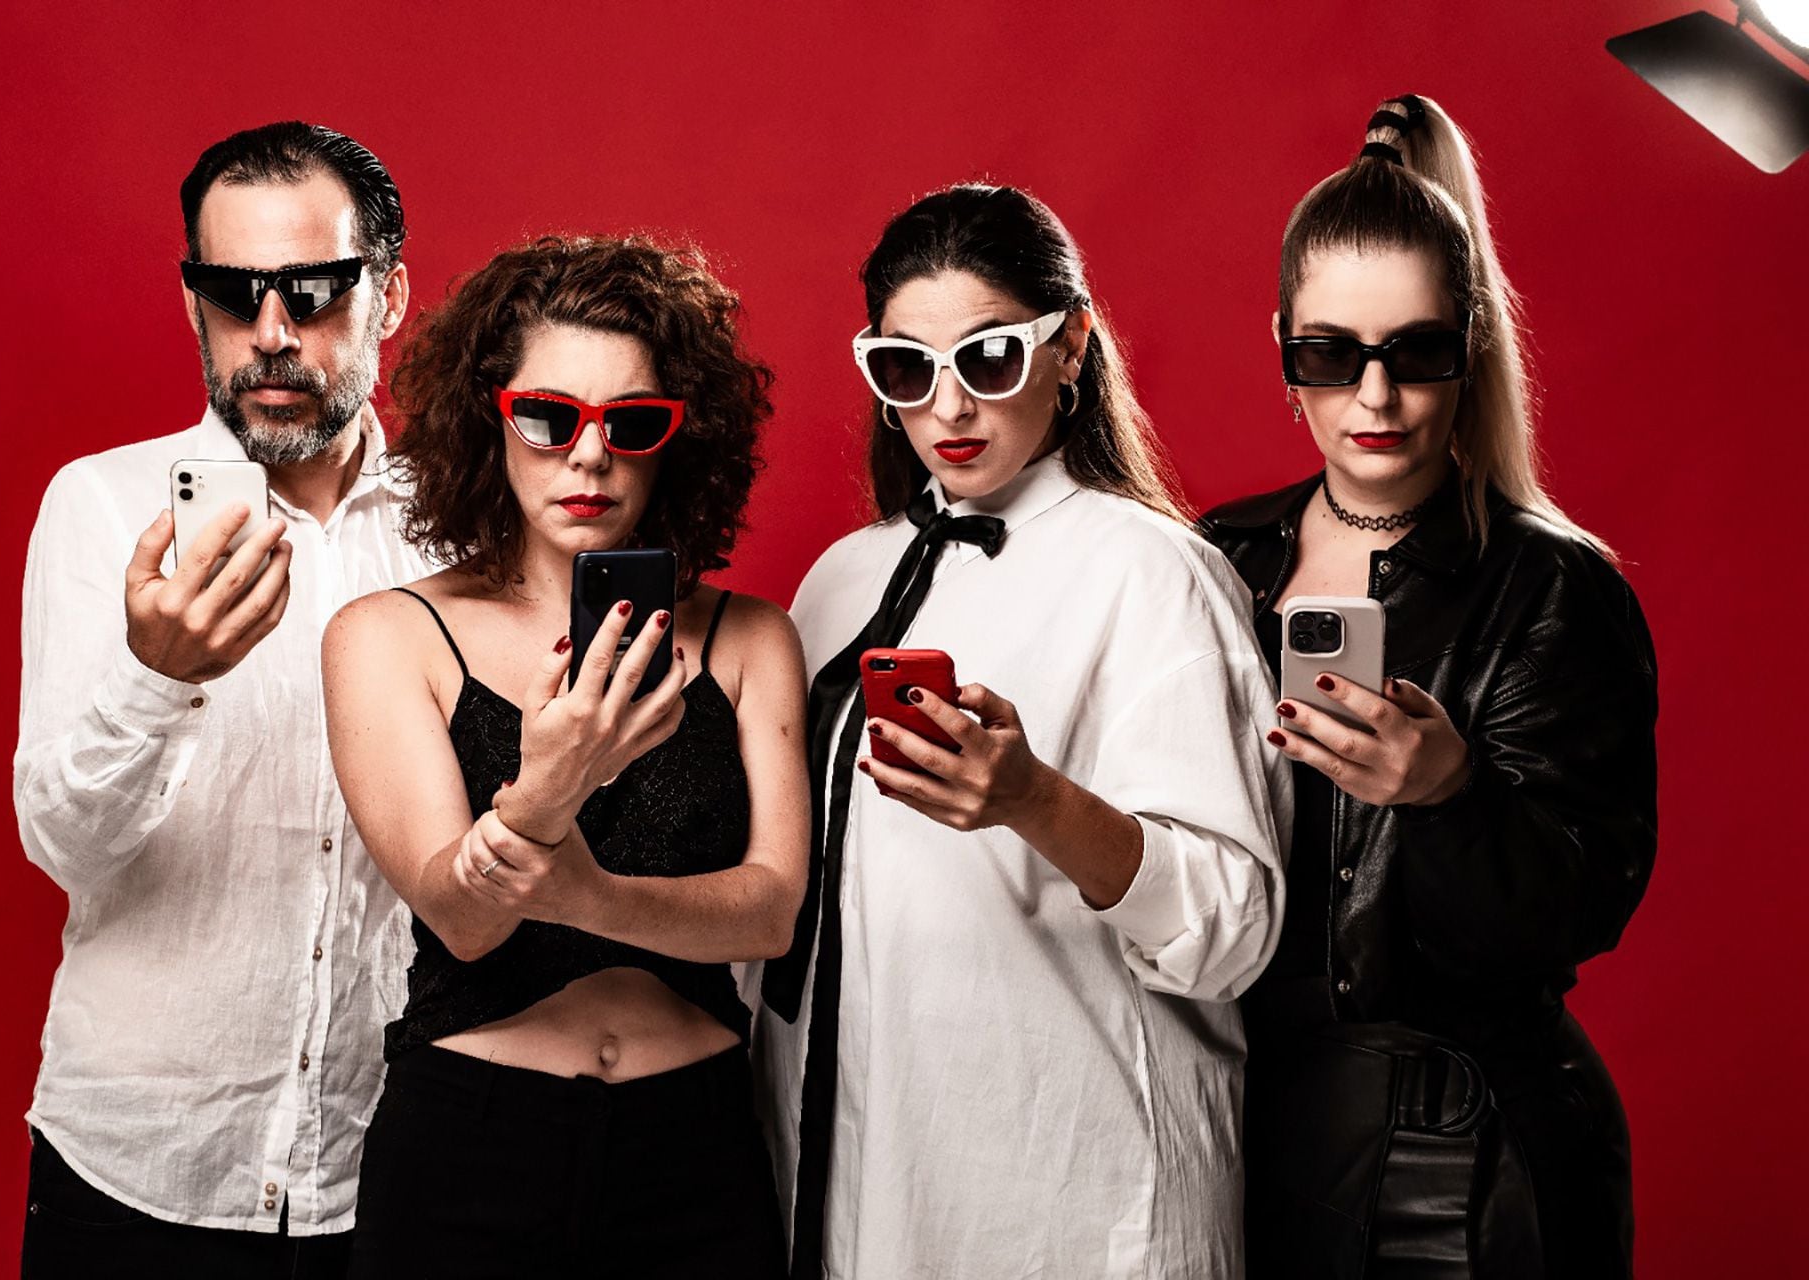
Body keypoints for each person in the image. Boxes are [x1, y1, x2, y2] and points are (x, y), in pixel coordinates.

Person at [755, 183, 1291, 1279]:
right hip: (860, 1175)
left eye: (991, 357)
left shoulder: (1152, 573)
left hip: (1075, 1189)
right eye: (906, 369)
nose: (949, 406)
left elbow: (1232, 927)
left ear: (1070, 345)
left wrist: (1033, 799)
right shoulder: (837, 583)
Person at [1199, 95, 1657, 1279]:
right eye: (1329, 354)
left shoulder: (1549, 586)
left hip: (1468, 1157)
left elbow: (1579, 909)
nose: (1375, 398)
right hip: (1242, 1129)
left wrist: (1450, 794)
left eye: (1416, 352)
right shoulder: (1212, 557)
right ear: (1281, 347)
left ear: (1472, 343)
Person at [322, 234, 807, 1276]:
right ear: (488, 421)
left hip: (697, 1149)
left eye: (630, 422)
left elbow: (772, 911)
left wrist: (587, 895)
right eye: (548, 418)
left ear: (679, 436)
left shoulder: (751, 638)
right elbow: (462, 916)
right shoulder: (390, 635)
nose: (589, 457)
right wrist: (548, 788)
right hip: (469, 1146)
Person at [14, 122, 424, 1276]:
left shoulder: (463, 529)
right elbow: (63, 842)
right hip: (139, 1170)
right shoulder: (105, 507)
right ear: (192, 298)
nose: (272, 333)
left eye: (313, 290)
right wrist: (161, 676)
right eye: (234, 293)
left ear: (390, 295)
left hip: (388, 1170)